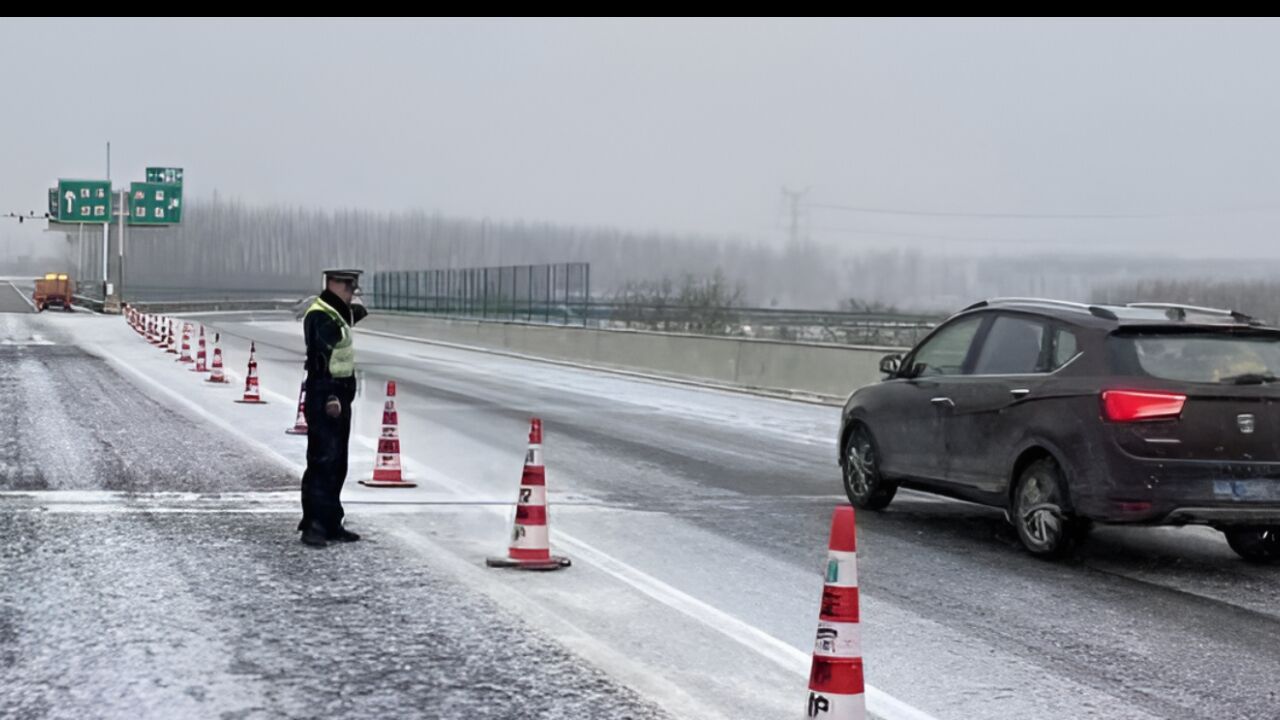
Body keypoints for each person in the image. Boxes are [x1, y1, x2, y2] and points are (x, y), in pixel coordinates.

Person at [298, 269, 369, 547]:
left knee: (337, 462)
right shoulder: (321, 315)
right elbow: (321, 358)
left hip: (340, 394)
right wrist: (330, 398)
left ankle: (331, 522)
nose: (353, 290)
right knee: (322, 461)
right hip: (327, 395)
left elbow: (353, 314)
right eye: (348, 285)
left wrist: (357, 305)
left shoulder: (335, 312)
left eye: (354, 286)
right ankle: (313, 525)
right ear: (332, 283)